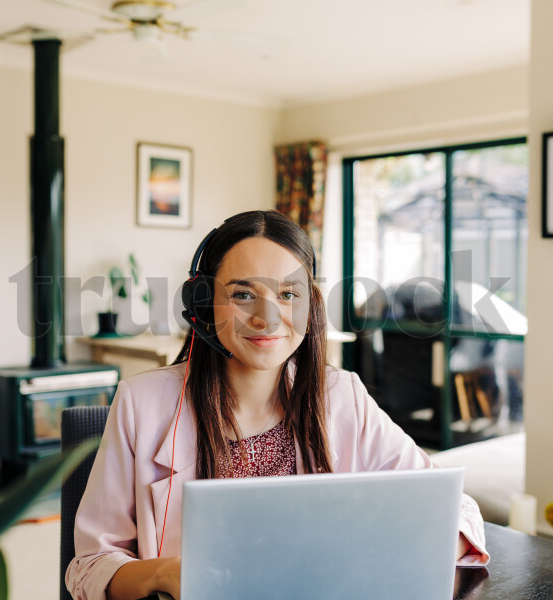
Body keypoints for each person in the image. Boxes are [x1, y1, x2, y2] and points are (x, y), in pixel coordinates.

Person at [66, 210, 489, 600]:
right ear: (203, 305)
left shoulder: (343, 395)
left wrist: (392, 555)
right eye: (243, 294)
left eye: (288, 294)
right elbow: (89, 566)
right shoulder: (140, 403)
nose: (267, 318)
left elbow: (455, 509)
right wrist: (163, 573)